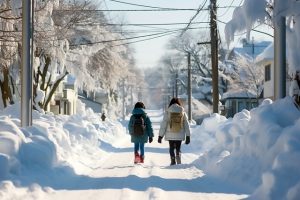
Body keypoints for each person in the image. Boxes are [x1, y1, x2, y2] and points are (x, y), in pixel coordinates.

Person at [158, 97, 190, 165]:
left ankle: (173, 160)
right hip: (179, 133)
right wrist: (188, 135)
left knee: (171, 147)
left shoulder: (168, 111)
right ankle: (178, 154)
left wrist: (160, 136)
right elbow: (186, 124)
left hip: (170, 133)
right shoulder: (182, 111)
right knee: (178, 147)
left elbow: (164, 123)